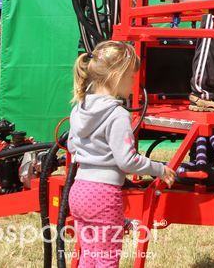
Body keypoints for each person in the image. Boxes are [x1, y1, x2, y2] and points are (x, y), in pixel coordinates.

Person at [67, 40, 176, 267]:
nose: (133, 83)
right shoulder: (117, 114)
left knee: (89, 255)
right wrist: (159, 169)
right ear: (116, 75)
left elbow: (71, 146)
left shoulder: (80, 107)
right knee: (107, 259)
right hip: (103, 195)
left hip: (78, 191)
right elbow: (127, 160)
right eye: (131, 77)